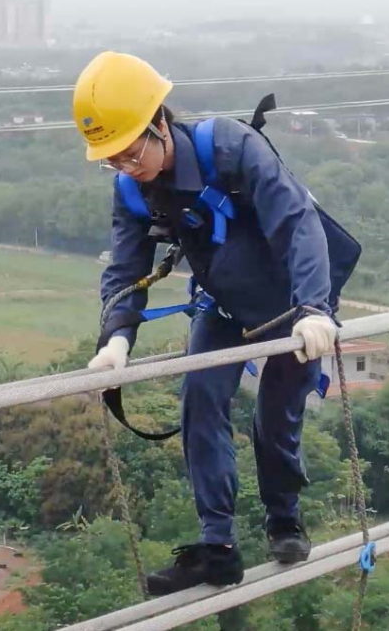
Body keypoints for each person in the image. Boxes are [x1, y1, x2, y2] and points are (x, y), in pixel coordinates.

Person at [74, 51, 356, 596]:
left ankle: (284, 519)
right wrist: (116, 339)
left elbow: (297, 222)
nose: (126, 167)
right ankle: (218, 548)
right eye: (112, 160)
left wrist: (316, 308)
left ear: (160, 122)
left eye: (131, 152)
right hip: (223, 306)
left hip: (293, 306)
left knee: (277, 415)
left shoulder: (230, 149)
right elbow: (126, 269)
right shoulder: (132, 189)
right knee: (200, 399)